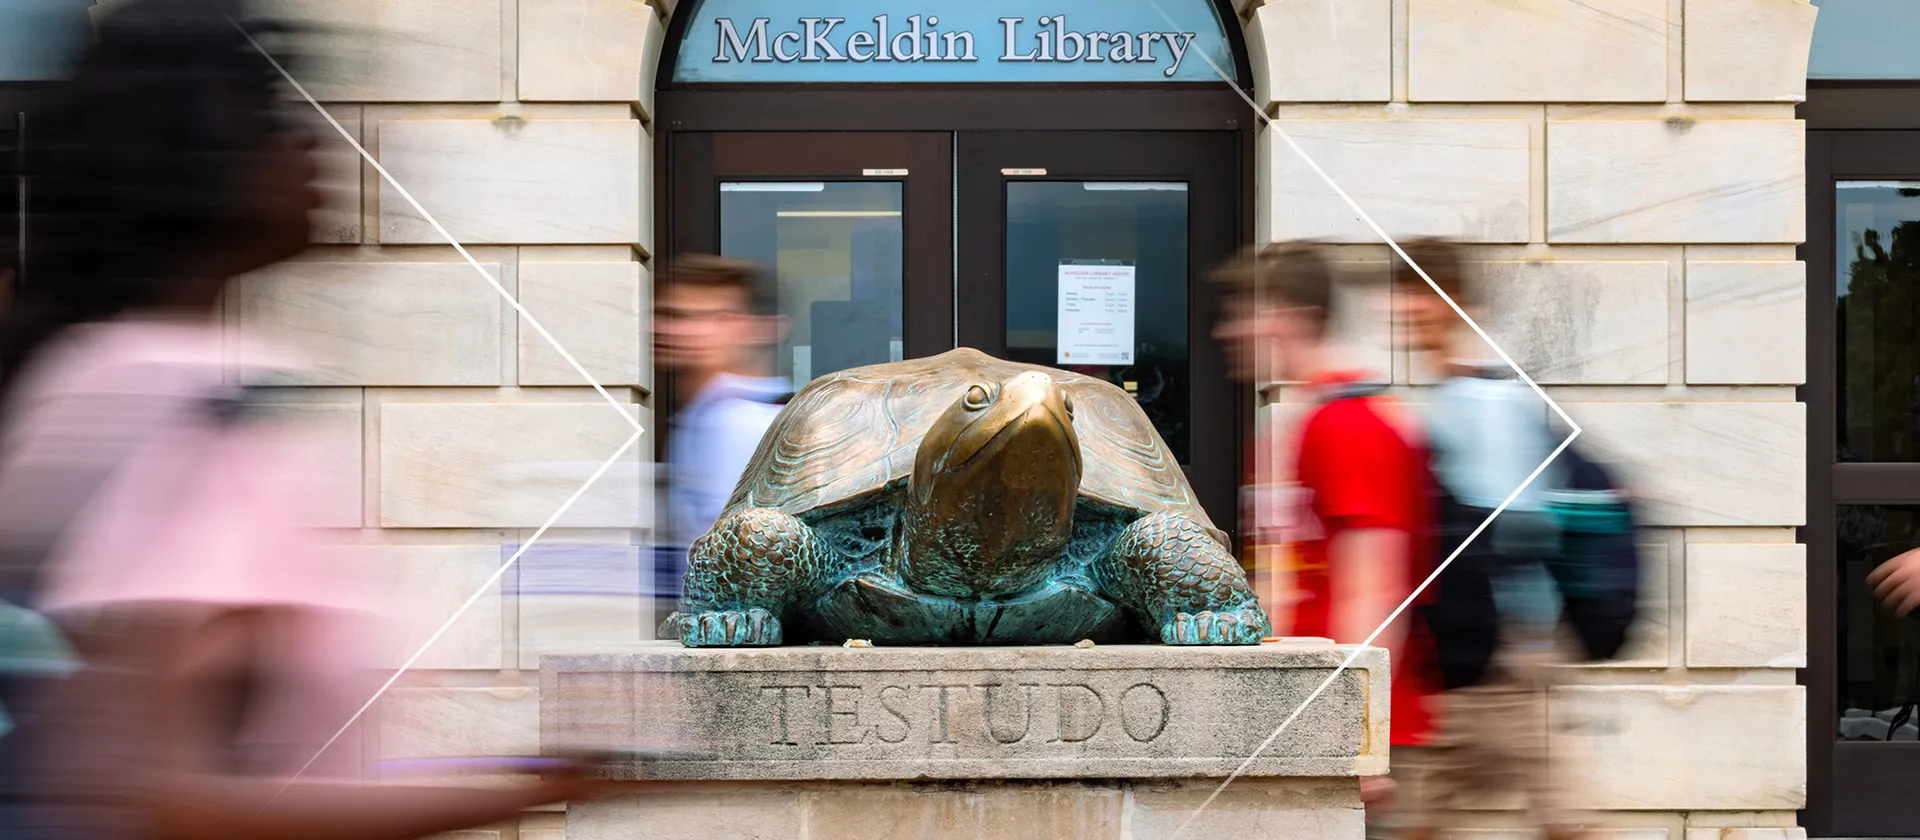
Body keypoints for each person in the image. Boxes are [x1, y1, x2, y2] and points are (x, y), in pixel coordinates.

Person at [0, 3, 608, 838]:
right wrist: (525, 792)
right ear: (193, 160)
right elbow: (178, 798)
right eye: (275, 121)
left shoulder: (113, 378)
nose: (315, 147)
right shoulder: (190, 402)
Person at [1212, 241, 1439, 831]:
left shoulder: (1350, 425)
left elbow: (1376, 590)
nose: (1228, 330)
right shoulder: (1299, 424)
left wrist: (1362, 744)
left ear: (1291, 318)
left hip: (1361, 746)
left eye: (1243, 312)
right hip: (1315, 731)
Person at [1390, 238, 1582, 840]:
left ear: (1453, 304)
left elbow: (1512, 531)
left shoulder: (1485, 402)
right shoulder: (1457, 398)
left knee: (1559, 815)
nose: (1405, 319)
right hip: (1481, 640)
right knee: (1433, 808)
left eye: (1415, 303)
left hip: (1501, 646)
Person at [653, 255, 790, 632]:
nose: (681, 331)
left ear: (763, 329)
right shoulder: (702, 417)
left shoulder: (749, 424)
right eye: (674, 315)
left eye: (715, 317)